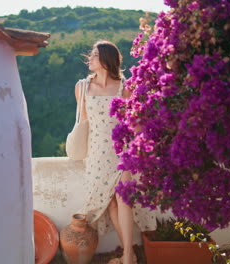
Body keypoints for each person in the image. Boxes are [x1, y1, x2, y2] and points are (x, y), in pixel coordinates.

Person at [75, 40, 156, 264]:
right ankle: (128, 254)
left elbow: (135, 123)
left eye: (93, 55)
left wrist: (141, 147)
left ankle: (128, 256)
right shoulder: (82, 87)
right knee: (109, 203)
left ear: (105, 59)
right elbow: (84, 121)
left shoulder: (124, 87)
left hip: (122, 150)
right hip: (96, 152)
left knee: (123, 198)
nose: (89, 58)